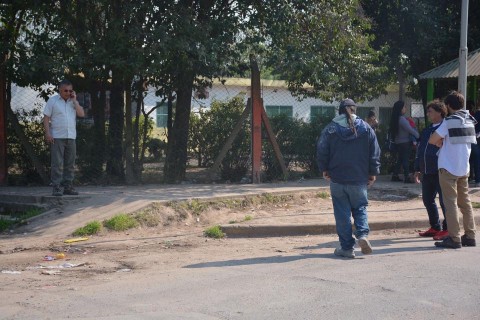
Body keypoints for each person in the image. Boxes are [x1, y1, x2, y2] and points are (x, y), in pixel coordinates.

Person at [317, 98, 381, 258]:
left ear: (339, 111)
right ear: (355, 110)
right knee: (360, 208)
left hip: (337, 179)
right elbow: (375, 152)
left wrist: (324, 169)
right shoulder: (366, 128)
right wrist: (373, 172)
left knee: (342, 213)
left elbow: (322, 150)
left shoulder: (330, 129)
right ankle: (362, 235)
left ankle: (346, 248)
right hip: (359, 179)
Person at [428, 91, 477, 248]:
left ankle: (454, 238)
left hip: (448, 168)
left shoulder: (449, 122)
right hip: (464, 168)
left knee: (451, 204)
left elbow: (433, 139)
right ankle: (470, 235)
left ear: (448, 106)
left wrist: (439, 141)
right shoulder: (470, 120)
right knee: (466, 203)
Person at [43, 79, 85, 196]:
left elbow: (81, 114)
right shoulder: (53, 101)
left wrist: (75, 101)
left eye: (70, 90)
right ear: (60, 90)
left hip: (71, 136)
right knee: (57, 163)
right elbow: (46, 118)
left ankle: (68, 187)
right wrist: (48, 133)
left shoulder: (73, 102)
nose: (68, 92)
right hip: (57, 137)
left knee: (70, 163)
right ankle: (56, 187)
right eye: (65, 90)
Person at [414, 100, 448, 240]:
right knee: (428, 199)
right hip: (426, 171)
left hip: (440, 170)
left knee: (444, 201)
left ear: (440, 112)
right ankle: (435, 227)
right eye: (428, 111)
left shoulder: (445, 128)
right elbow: (420, 150)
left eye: (430, 111)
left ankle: (447, 228)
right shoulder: (427, 129)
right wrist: (417, 168)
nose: (428, 114)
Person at [389, 100, 420, 183]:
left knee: (400, 159)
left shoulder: (394, 119)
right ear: (400, 109)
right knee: (405, 159)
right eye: (404, 107)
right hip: (405, 142)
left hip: (398, 142)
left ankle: (395, 175)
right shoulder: (402, 119)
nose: (405, 108)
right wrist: (418, 136)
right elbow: (410, 129)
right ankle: (407, 177)